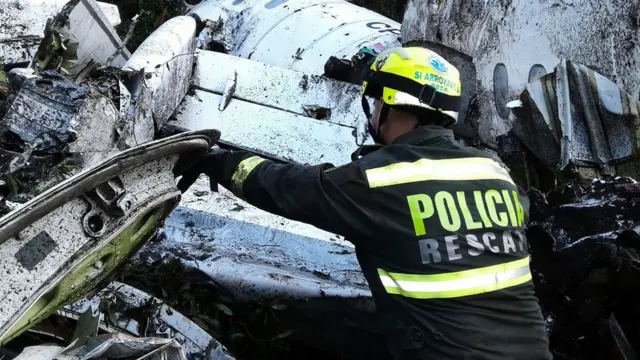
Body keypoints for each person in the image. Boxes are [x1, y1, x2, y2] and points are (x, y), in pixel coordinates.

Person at [177, 47, 552, 360]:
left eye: (375, 102)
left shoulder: (380, 181)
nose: (372, 113)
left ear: (390, 103)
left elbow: (286, 188)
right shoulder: (496, 173)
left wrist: (218, 160)